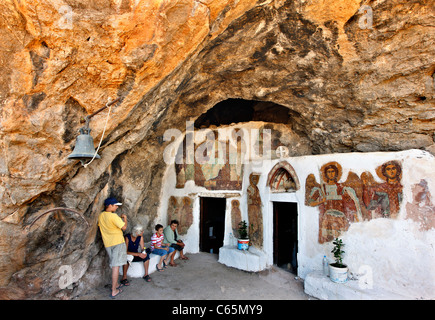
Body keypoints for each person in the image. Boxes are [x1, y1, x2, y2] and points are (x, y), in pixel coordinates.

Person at [98, 197, 128, 298]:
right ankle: (114, 290)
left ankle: (115, 285)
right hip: (118, 243)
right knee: (116, 266)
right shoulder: (113, 216)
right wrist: (125, 218)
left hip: (108, 243)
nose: (116, 207)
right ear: (109, 206)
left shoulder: (101, 216)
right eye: (115, 205)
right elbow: (124, 227)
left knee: (115, 264)